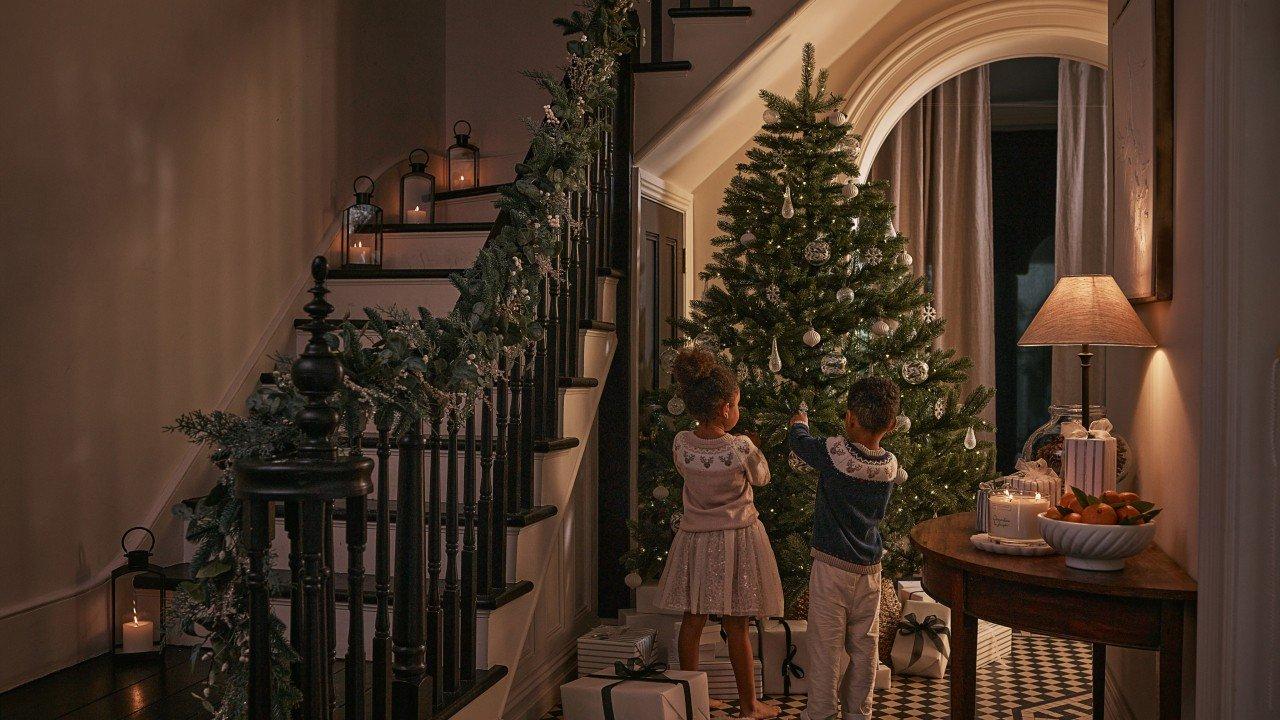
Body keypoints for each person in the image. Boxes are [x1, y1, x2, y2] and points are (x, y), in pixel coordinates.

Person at [656, 346, 783, 719]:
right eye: (738, 404)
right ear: (727, 407)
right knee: (737, 625)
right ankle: (748, 705)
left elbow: (686, 474)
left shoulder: (682, 443)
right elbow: (762, 478)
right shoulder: (740, 447)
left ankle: (691, 698)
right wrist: (754, 449)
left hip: (695, 540)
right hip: (737, 540)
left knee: (693, 619)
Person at [788, 376, 906, 720]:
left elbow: (802, 444)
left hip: (831, 566)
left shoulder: (836, 452)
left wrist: (799, 424)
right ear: (892, 425)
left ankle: (821, 712)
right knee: (865, 646)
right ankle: (859, 712)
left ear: (849, 418)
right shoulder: (889, 465)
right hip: (869, 569)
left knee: (825, 646)